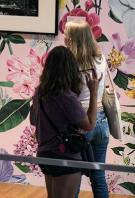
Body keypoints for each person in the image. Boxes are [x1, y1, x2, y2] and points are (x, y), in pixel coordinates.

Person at [33, 46, 102, 198]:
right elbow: (89, 124)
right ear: (70, 68)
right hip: (65, 158)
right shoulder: (66, 97)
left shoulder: (39, 92)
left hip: (44, 154)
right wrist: (94, 93)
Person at [65, 20, 110, 198]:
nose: (64, 37)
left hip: (81, 121)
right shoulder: (100, 59)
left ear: (72, 39)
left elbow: (69, 95)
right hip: (102, 122)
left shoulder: (71, 62)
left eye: (67, 34)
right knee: (98, 175)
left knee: (73, 176)